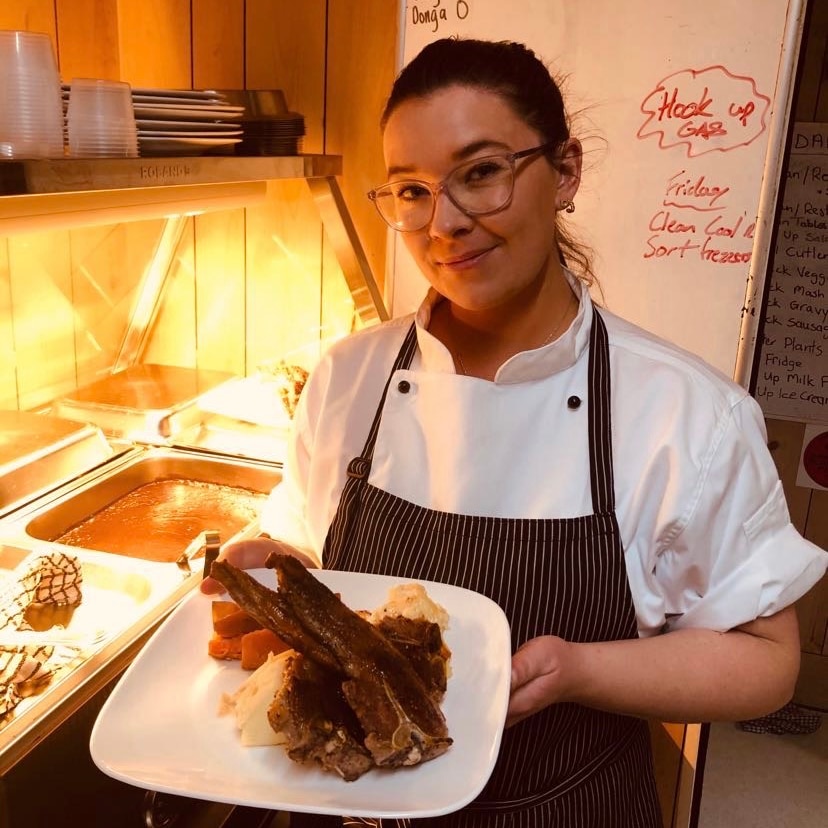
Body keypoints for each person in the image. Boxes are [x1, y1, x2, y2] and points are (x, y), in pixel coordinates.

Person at [203, 37, 828, 827]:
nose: (446, 223)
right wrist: (277, 570)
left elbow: (767, 663)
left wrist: (575, 672)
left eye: (482, 172)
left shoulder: (682, 409)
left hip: (562, 807)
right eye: (412, 190)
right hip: (346, 809)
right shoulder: (348, 376)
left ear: (564, 172)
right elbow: (303, 534)